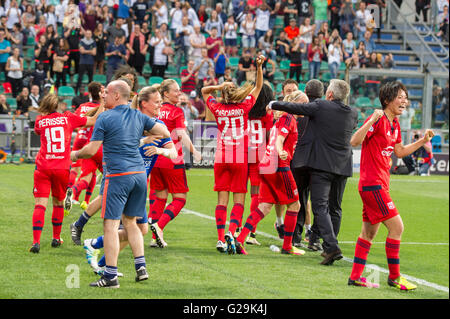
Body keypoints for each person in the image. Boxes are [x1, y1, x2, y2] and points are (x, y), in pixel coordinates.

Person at [70, 80, 169, 288]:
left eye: (106, 93)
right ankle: (141, 267)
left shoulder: (105, 117)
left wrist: (74, 154)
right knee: (131, 222)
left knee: (111, 226)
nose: (102, 96)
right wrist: (141, 138)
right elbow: (165, 132)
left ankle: (110, 276)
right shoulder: (139, 116)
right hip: (140, 175)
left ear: (116, 95)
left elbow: (91, 149)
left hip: (118, 176)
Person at [348, 81, 434, 290]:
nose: (404, 101)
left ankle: (356, 276)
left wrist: (422, 141)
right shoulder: (378, 119)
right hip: (372, 185)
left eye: (406, 98)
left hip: (378, 186)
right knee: (397, 227)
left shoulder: (394, 124)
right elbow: (354, 141)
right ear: (387, 100)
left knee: (368, 233)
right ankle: (394, 277)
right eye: (400, 97)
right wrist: (370, 121)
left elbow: (400, 152)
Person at [268, 79, 358, 265]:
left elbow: (297, 109)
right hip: (343, 166)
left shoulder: (321, 106)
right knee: (335, 207)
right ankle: (326, 245)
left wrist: (274, 104)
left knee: (319, 206)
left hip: (322, 165)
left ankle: (331, 247)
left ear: (330, 94)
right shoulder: (353, 113)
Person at [201, 54, 264, 253]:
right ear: (236, 94)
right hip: (239, 157)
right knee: (239, 200)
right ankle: (232, 231)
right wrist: (259, 66)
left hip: (221, 156)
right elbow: (258, 87)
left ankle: (220, 239)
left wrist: (219, 86)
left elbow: (204, 90)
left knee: (222, 200)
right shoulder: (244, 106)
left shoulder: (217, 108)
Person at [235, 90, 309, 256]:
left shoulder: (282, 119)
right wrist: (281, 150)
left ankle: (240, 239)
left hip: (266, 165)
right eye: (304, 103)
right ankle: (288, 246)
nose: (306, 106)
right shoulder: (289, 118)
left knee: (265, 206)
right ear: (294, 104)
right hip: (279, 166)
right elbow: (279, 140)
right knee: (295, 205)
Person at [29, 93, 103, 254]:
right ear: (59, 106)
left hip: (43, 167)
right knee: (57, 203)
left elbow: (37, 132)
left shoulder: (40, 121)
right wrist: (102, 102)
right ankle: (56, 238)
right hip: (62, 167)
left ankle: (36, 242)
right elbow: (94, 120)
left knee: (40, 204)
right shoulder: (68, 118)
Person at [149, 79, 202, 248]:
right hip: (172, 159)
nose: (179, 93)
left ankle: (153, 237)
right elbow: (181, 135)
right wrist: (194, 151)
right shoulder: (176, 111)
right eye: (176, 91)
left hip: (155, 158)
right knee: (180, 199)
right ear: (165, 93)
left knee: (160, 198)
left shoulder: (155, 110)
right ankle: (159, 226)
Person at [244, 83, 275, 245]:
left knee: (240, 194)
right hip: (259, 157)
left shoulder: (245, 111)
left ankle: (236, 228)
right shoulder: (267, 115)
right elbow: (270, 136)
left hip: (243, 156)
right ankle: (251, 232)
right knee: (256, 195)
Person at [76, 30, 97, 95]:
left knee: (91, 79)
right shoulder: (81, 41)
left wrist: (86, 51)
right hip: (82, 62)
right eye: (87, 33)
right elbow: (81, 51)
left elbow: (94, 53)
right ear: (85, 34)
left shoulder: (93, 42)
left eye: (89, 33)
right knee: (80, 78)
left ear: (91, 34)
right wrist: (90, 51)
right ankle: (76, 91)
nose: (88, 35)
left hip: (90, 62)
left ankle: (90, 93)